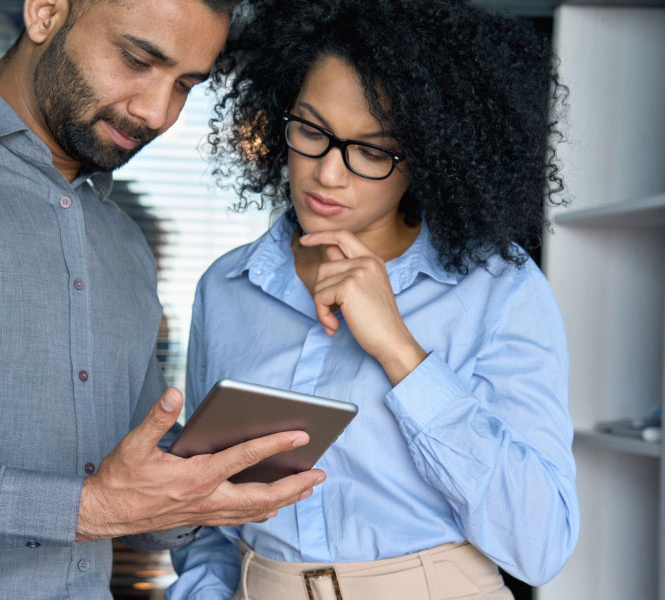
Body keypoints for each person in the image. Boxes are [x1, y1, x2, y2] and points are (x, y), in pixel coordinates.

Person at [0, 0, 325, 598]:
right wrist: (83, 509)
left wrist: (212, 484)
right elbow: (101, 503)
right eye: (136, 60)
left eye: (185, 85)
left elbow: (133, 471)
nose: (156, 112)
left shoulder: (122, 242)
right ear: (46, 12)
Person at [167, 0, 580, 598]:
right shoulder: (227, 288)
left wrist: (400, 353)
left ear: (431, 157)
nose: (329, 174)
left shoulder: (500, 291)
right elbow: (210, 506)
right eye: (311, 130)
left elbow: (540, 545)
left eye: (373, 150)